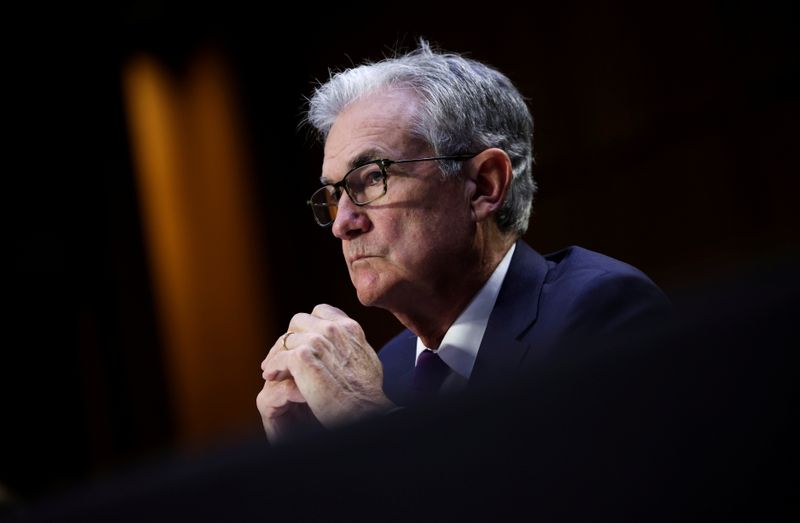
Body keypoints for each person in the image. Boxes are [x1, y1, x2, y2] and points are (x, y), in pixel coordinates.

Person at [257, 40, 670, 442]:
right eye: (335, 194)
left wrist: (368, 420)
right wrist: (313, 462)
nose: (342, 223)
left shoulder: (600, 314)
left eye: (374, 177)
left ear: (483, 185)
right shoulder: (387, 370)